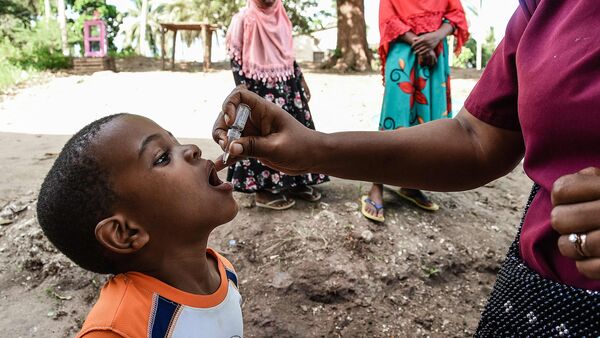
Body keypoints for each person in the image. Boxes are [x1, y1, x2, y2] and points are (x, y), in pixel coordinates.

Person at [213, 0, 600, 334]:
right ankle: (380, 187)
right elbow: (476, 138)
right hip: (535, 300)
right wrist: (315, 148)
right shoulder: (548, 8)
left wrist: (436, 36)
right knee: (399, 113)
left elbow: (452, 17)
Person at [37, 114, 243, 337]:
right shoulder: (118, 328)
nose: (192, 149)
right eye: (163, 157)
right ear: (125, 233)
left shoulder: (222, 270)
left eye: (175, 141)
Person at [362, 0, 469, 222]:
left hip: (436, 54)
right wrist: (421, 43)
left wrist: (437, 36)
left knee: (429, 122)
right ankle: (377, 185)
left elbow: (455, 13)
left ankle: (411, 183)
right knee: (395, 116)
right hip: (403, 50)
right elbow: (389, 19)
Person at [225, 0, 328, 210]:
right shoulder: (243, 19)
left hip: (287, 85)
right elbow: (236, 59)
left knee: (297, 132)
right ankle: (264, 190)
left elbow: (288, 55)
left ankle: (297, 181)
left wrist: (300, 79)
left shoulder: (282, 17)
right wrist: (243, 91)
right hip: (258, 88)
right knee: (264, 136)